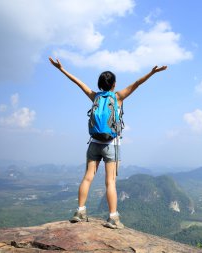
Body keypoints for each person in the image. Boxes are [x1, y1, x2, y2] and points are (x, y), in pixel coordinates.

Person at [49, 57, 167, 229]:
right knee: (110, 181)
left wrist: (61, 68)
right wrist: (152, 72)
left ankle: (80, 211)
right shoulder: (118, 97)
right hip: (111, 144)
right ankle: (113, 218)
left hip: (94, 143)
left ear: (99, 84)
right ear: (113, 84)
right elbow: (137, 83)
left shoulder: (95, 97)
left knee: (88, 177)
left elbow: (78, 82)